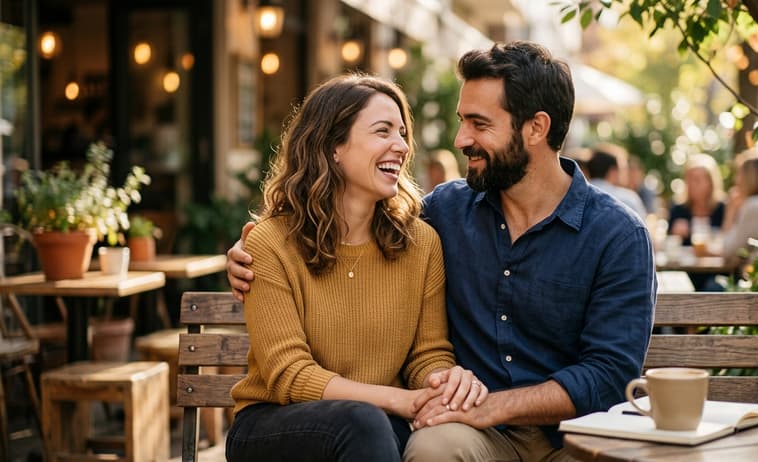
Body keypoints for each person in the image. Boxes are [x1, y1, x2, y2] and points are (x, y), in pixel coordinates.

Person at [228, 41, 656, 461]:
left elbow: (609, 373)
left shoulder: (616, 236)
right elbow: (327, 243)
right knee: (427, 445)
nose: (460, 139)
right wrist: (249, 252)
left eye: (479, 124)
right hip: (458, 431)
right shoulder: (443, 214)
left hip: (575, 436)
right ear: (332, 146)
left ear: (536, 128)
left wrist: (476, 398)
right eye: (461, 121)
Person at [224, 74, 487, 462]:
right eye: (382, 131)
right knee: (366, 424)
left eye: (402, 133)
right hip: (274, 425)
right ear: (333, 146)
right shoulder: (270, 243)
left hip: (377, 425)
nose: (400, 146)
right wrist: (399, 399)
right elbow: (289, 374)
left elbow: (426, 354)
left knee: (409, 434)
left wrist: (442, 382)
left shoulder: (421, 244)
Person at [667, 153, 727, 290]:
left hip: (715, 273)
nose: (693, 185)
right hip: (685, 273)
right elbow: (669, 246)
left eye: (698, 180)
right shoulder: (679, 209)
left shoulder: (723, 208)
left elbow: (729, 240)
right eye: (689, 180)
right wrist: (675, 234)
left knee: (713, 287)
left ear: (710, 182)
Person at [584, 143, 648, 219]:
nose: (626, 173)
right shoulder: (628, 200)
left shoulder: (576, 193)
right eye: (623, 168)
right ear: (613, 171)